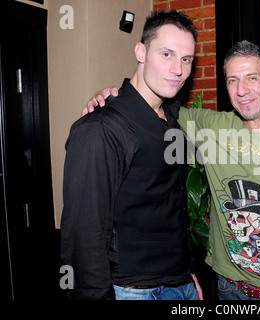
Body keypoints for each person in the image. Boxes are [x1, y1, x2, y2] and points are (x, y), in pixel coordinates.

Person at [84, 40, 260, 300]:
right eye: (232, 80)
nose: (241, 90)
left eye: (252, 78)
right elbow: (152, 106)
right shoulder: (213, 128)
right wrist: (113, 97)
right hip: (227, 289)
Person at [60, 10, 203, 300]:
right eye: (166, 54)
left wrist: (187, 276)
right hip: (133, 291)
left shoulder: (173, 118)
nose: (178, 69)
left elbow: (170, 210)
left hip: (180, 283)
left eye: (186, 59)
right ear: (141, 51)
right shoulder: (101, 127)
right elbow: (84, 235)